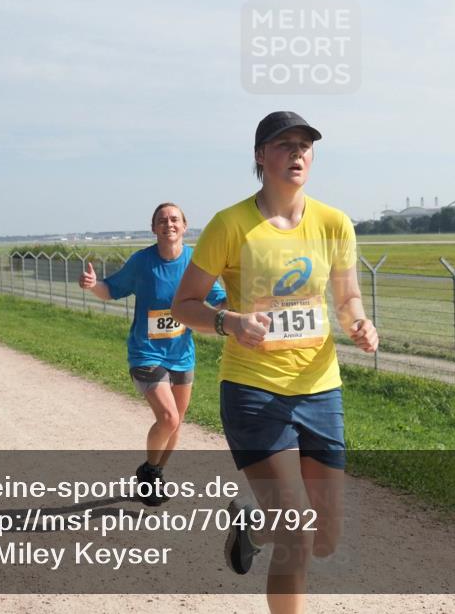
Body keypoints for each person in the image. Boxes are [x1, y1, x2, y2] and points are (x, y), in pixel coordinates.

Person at [172, 111, 378, 613]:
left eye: (305, 145)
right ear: (261, 156)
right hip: (253, 389)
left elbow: (347, 296)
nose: (298, 153)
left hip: (320, 388)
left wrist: (358, 322)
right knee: (298, 532)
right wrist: (229, 322)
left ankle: (251, 526)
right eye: (285, 144)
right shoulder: (230, 224)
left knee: (323, 538)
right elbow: (185, 305)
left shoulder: (333, 223)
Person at [79, 203, 226, 505]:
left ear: (184, 226)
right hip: (146, 353)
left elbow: (220, 300)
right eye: (162, 220)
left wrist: (239, 307)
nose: (168, 224)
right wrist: (94, 286)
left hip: (181, 354)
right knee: (168, 418)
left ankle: (153, 472)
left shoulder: (196, 262)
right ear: (154, 228)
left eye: (174, 219)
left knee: (177, 422)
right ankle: (149, 471)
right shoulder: (142, 262)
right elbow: (111, 289)